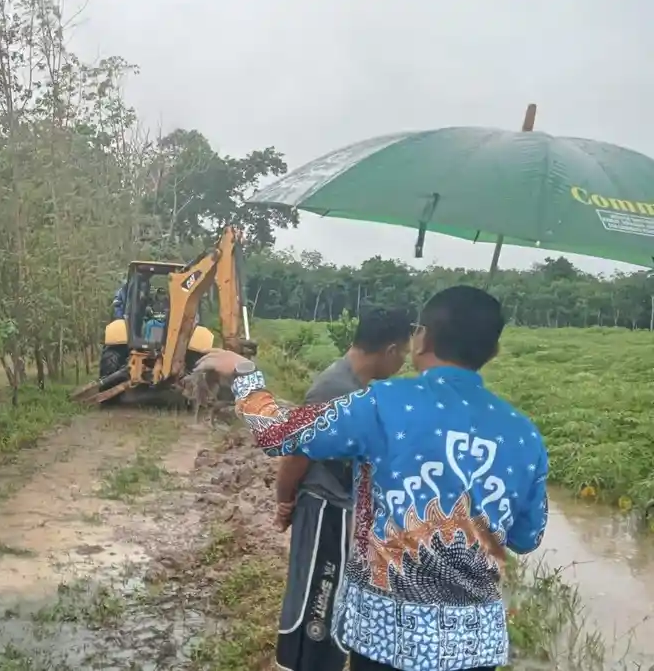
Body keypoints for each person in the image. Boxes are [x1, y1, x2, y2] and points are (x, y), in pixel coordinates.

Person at [197, 286, 549, 671]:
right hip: (473, 645)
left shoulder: (383, 403)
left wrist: (245, 375)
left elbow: (278, 432)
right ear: (493, 351)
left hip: (386, 636)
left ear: (422, 338)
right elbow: (527, 537)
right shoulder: (525, 436)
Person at [274, 308, 413, 671]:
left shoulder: (358, 387)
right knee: (316, 598)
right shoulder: (334, 390)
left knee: (335, 597)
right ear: (390, 350)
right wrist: (284, 500)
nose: (403, 362)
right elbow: (296, 455)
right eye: (403, 353)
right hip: (324, 510)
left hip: (341, 509)